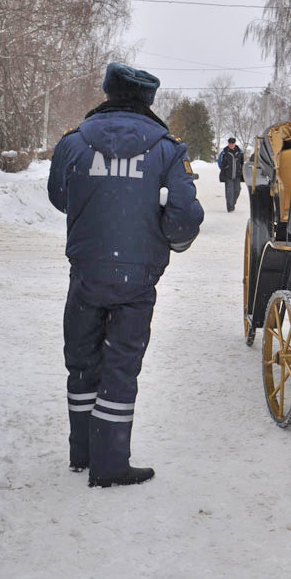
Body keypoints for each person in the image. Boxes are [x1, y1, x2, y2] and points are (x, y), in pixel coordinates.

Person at [48, 62, 204, 488]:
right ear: (148, 100)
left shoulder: (74, 143)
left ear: (107, 91)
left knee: (81, 360)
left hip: (85, 271)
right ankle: (110, 461)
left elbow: (60, 197)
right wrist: (166, 235)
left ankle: (82, 451)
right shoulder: (168, 149)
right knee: (120, 365)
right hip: (137, 278)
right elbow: (185, 217)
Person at [218, 137, 245, 212]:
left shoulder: (240, 152)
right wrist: (224, 169)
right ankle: (230, 208)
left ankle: (232, 203)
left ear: (235, 143)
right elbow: (219, 162)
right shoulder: (224, 152)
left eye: (232, 143)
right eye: (230, 143)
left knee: (237, 190)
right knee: (229, 192)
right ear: (228, 143)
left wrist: (241, 170)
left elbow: (242, 163)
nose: (231, 145)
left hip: (237, 175)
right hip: (228, 175)